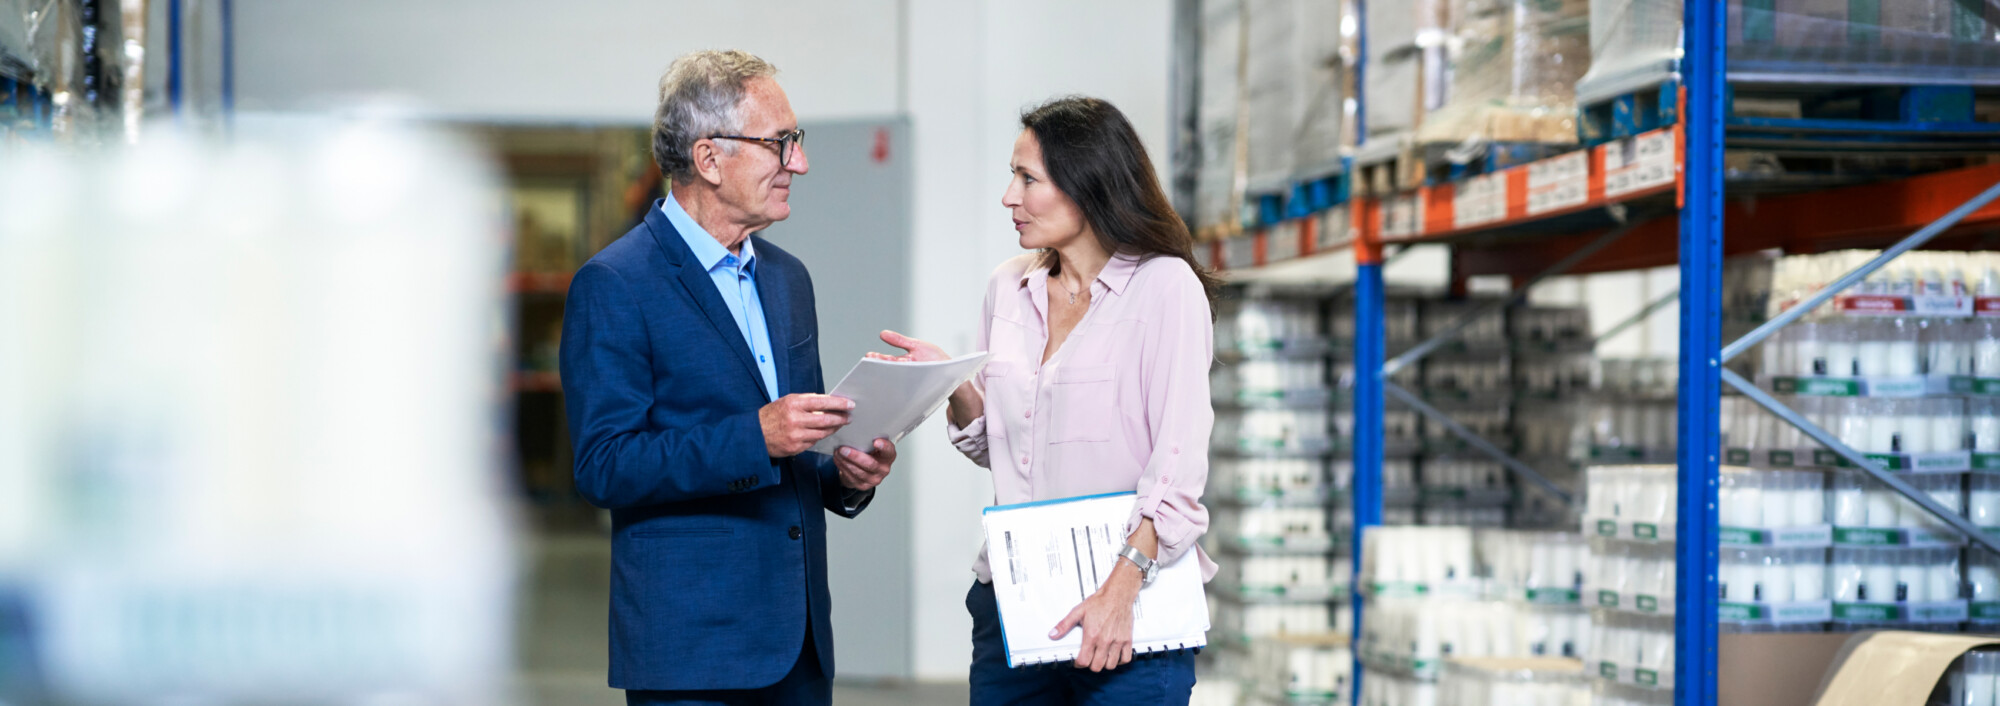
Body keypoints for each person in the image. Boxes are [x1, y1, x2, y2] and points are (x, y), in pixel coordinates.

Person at [561, 49, 898, 706]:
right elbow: (604, 465)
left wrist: (846, 475)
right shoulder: (615, 284)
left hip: (799, 645)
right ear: (710, 159)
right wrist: (756, 436)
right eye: (781, 143)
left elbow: (797, 451)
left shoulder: (788, 279)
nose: (800, 163)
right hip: (692, 653)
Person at [871, 96, 1221, 705]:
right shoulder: (1009, 287)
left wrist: (1120, 591)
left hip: (1129, 607)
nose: (1009, 196)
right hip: (1015, 604)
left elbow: (1177, 465)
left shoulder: (1165, 288)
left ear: (1089, 184)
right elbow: (1003, 448)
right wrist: (955, 385)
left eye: (1027, 179)